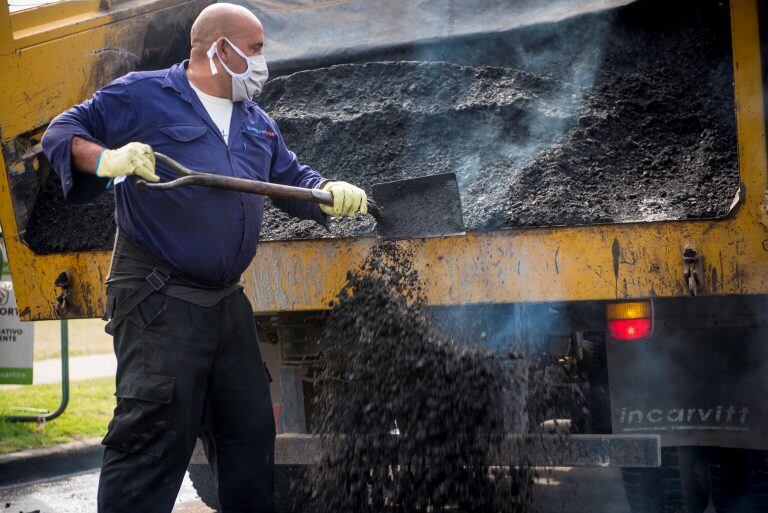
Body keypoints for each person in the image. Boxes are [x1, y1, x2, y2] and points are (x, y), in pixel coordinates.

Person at [41, 4, 367, 512]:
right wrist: (107, 159)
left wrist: (326, 191)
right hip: (158, 301)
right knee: (152, 439)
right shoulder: (143, 95)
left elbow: (291, 178)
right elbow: (61, 133)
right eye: (256, 50)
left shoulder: (256, 122)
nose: (263, 62)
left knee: (250, 437)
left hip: (225, 305)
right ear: (220, 49)